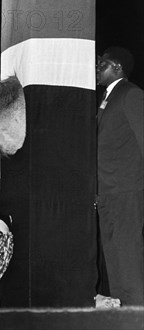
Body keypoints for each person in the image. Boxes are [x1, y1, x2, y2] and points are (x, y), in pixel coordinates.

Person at [96, 46, 144, 306]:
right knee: (113, 257)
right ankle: (120, 312)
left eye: (102, 63)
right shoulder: (106, 98)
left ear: (117, 68)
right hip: (107, 192)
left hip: (127, 190)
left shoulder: (131, 95)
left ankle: (137, 313)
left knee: (128, 255)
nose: (97, 67)